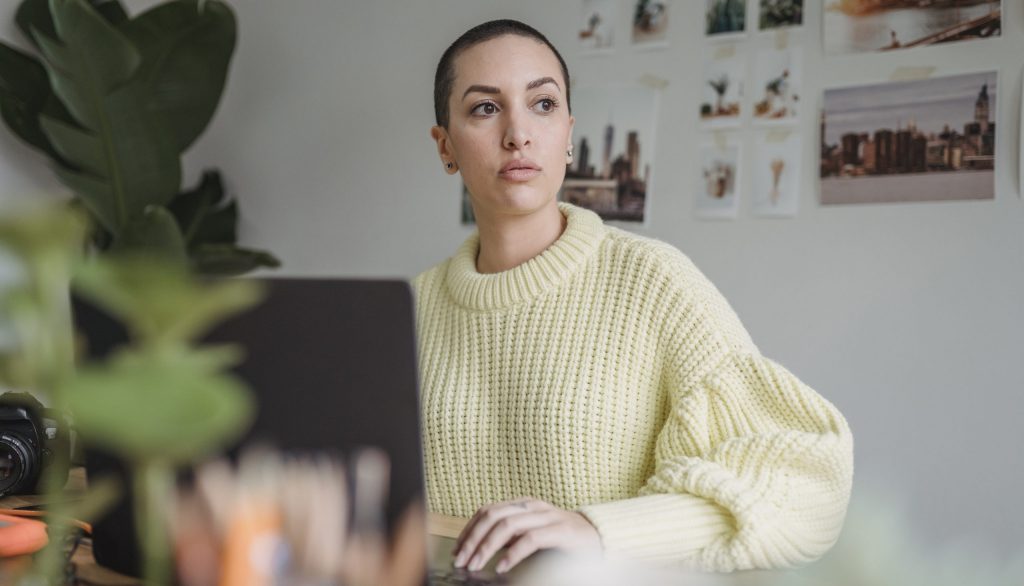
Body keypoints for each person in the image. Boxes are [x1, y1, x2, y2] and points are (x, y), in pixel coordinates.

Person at [414, 19, 853, 575]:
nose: (518, 133)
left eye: (543, 105)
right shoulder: (407, 309)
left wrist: (599, 530)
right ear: (446, 145)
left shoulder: (654, 282)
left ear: (570, 133)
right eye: (485, 108)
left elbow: (808, 484)